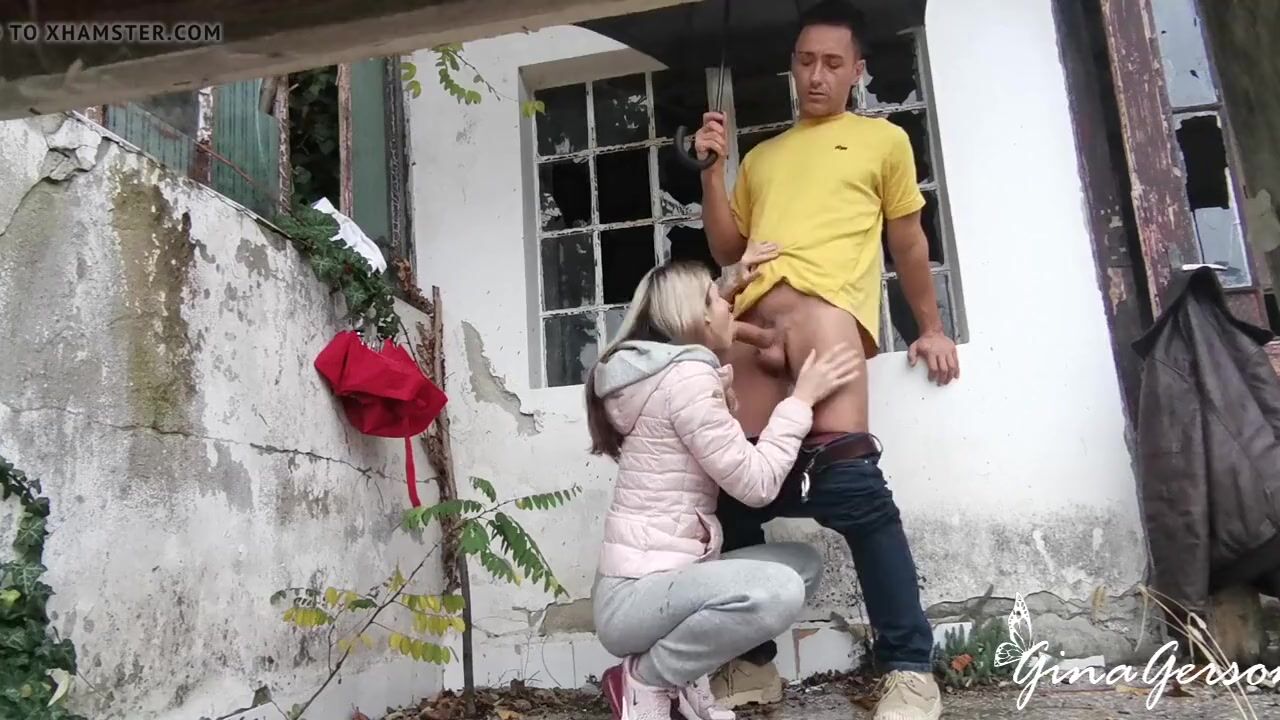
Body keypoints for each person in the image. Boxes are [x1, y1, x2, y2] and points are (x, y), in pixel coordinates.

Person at [692, 1, 961, 719]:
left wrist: (931, 327)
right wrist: (714, 172)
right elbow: (727, 249)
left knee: (853, 493)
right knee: (731, 494)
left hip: (824, 321)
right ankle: (752, 666)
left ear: (857, 71)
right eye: (806, 61)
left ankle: (909, 669)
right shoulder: (765, 157)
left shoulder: (883, 140)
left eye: (833, 63)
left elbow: (908, 241)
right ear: (793, 66)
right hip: (750, 332)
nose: (817, 75)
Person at [585, 260, 863, 720]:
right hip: (636, 598)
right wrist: (801, 400)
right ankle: (647, 679)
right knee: (778, 591)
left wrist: (725, 287)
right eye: (715, 299)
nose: (726, 306)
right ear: (693, 315)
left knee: (801, 565)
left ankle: (681, 676)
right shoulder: (686, 379)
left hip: (653, 585)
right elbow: (756, 484)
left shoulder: (660, 378)